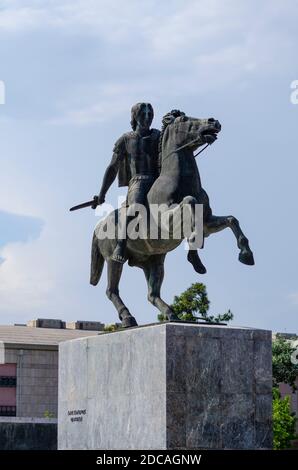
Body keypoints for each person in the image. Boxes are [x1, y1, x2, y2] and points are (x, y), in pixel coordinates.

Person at [96, 102, 160, 263]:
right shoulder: (125, 140)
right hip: (138, 181)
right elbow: (113, 167)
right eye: (143, 114)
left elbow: (176, 142)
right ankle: (121, 244)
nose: (147, 118)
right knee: (136, 207)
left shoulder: (159, 136)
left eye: (150, 115)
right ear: (135, 117)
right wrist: (102, 193)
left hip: (159, 181)